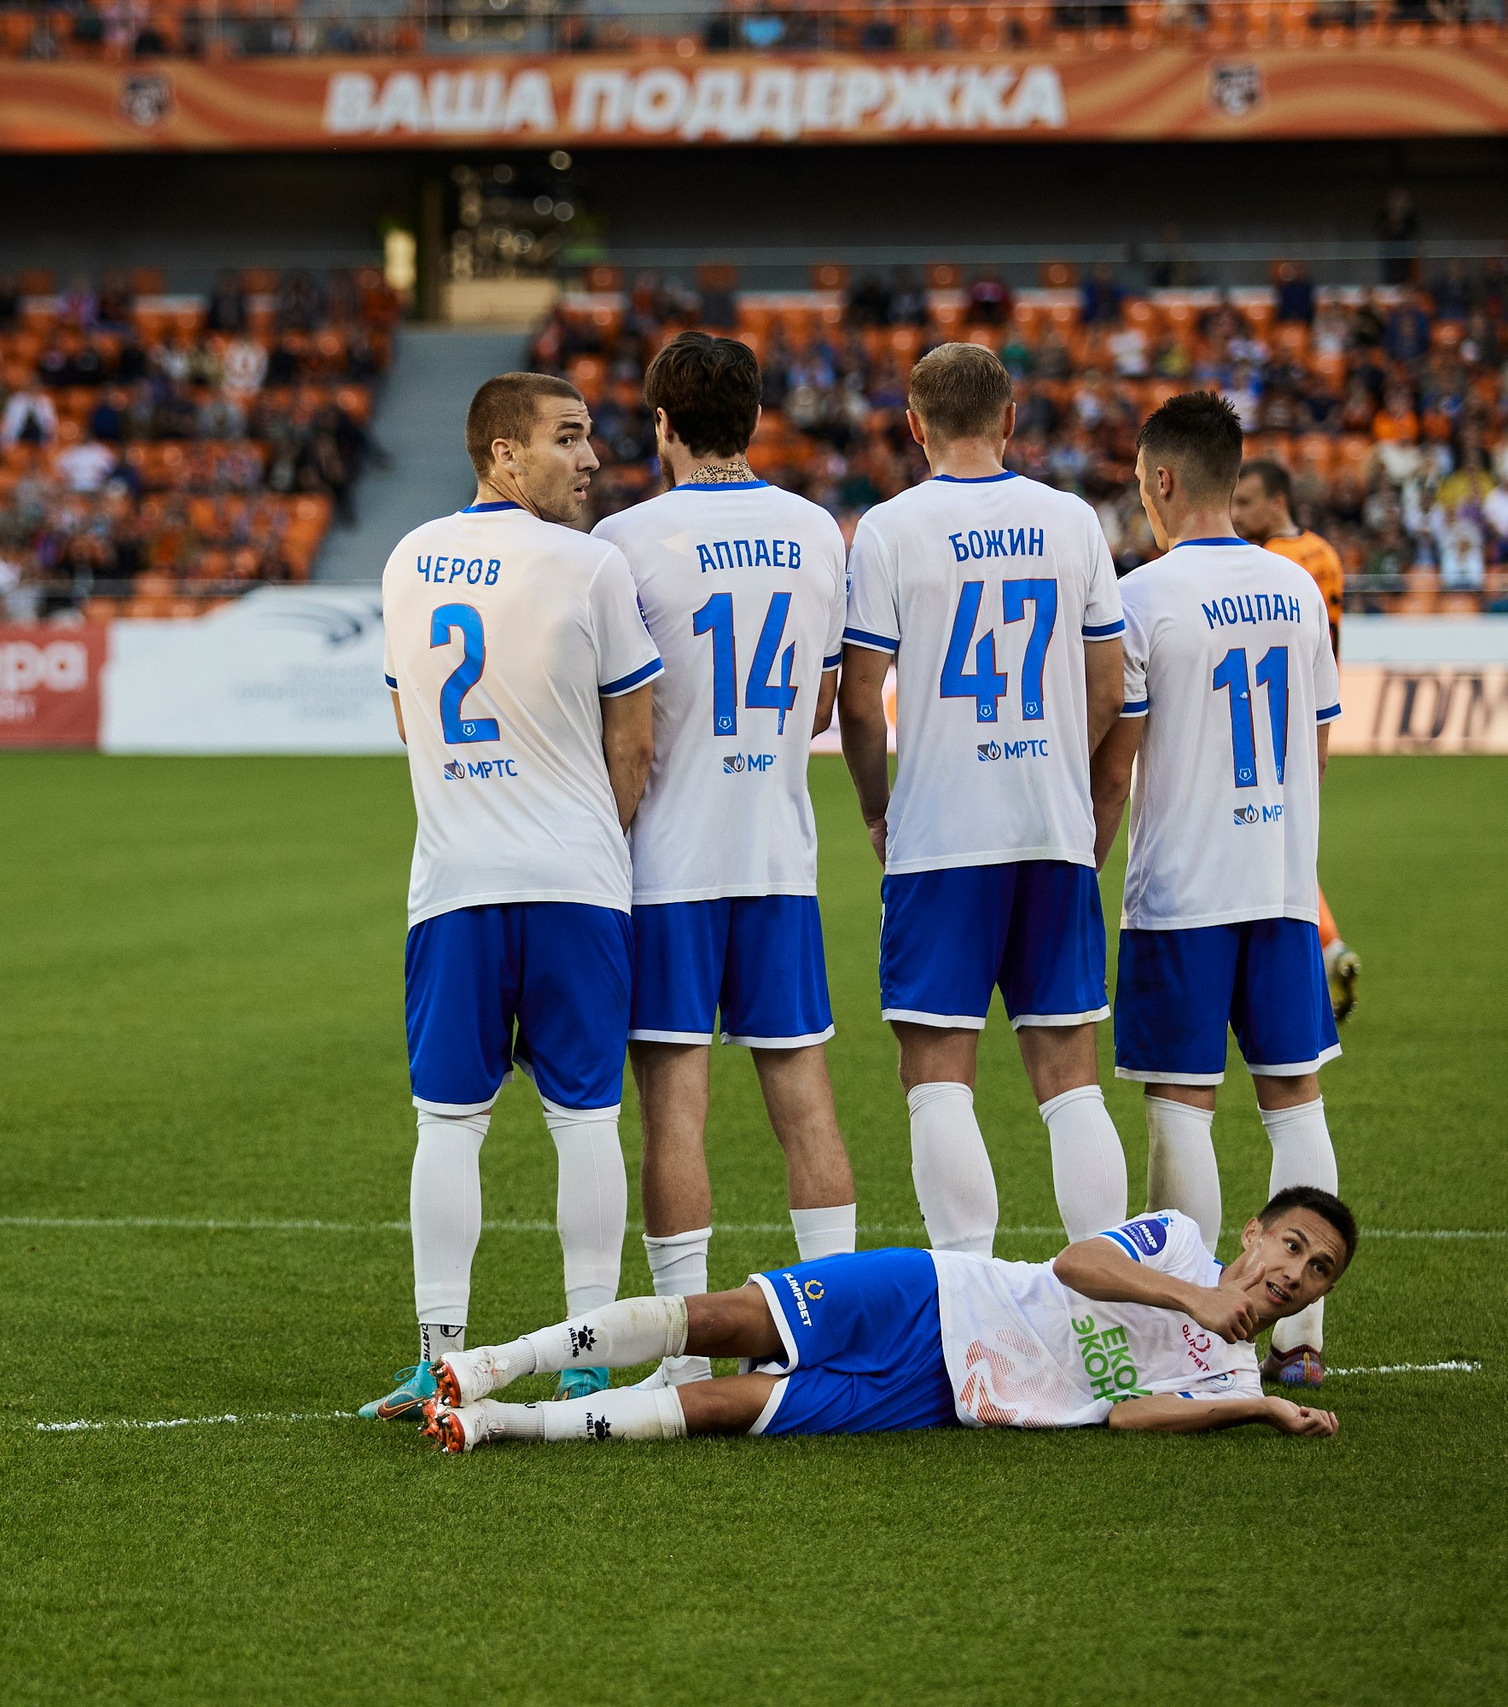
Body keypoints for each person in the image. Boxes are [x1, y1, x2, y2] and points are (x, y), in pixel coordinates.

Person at [360, 372, 659, 1421]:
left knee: (448, 1124)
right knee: (583, 1122)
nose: (588, 458)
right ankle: (586, 1353)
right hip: (576, 885)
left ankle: (438, 1352)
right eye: (566, 439)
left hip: (454, 884)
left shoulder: (404, 561)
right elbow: (635, 740)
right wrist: (585, 823)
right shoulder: (591, 565)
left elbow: (411, 723)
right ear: (500, 453)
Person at [588, 332, 858, 1387]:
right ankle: (831, 1344)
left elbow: (621, 720)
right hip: (777, 855)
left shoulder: (625, 539)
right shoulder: (812, 530)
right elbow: (827, 701)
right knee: (806, 1100)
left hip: (668, 862)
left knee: (674, 1111)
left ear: (661, 423)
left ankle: (683, 1362)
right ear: (754, 419)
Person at [838, 342, 1130, 1258]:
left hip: (940, 835)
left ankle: (971, 1302)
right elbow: (1110, 687)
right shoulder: (1072, 519)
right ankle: (1114, 1299)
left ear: (914, 426)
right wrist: (1045, 765)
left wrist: (877, 804)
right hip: (1049, 826)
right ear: (1010, 420)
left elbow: (857, 698)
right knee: (1071, 1080)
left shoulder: (889, 528)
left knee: (936, 1078)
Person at [1093, 393, 1345, 1389]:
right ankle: (1302, 1341)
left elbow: (1117, 767)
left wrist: (1085, 858)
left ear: (1159, 480)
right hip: (1278, 885)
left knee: (1180, 1107)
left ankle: (1192, 1338)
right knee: (1294, 1100)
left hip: (1182, 892)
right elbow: (1315, 749)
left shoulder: (1143, 597)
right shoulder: (1293, 587)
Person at [420, 1187, 1353, 1450]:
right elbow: (1077, 1262)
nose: (1298, 1272)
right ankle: (497, 1361)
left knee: (717, 1409)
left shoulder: (1230, 1377)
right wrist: (1192, 1296)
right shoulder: (1182, 1244)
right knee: (716, 1319)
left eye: (1319, 1271)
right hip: (936, 1293)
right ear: (1255, 1232)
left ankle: (493, 1420)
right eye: (1294, 1244)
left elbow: (1126, 1415)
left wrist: (1259, 1405)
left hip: (941, 1397)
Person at [1231, 456, 1360, 1020]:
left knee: (1255, 844)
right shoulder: (1325, 556)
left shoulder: (1264, 564)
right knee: (1287, 843)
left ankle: (1302, 964)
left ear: (1276, 501)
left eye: (1245, 502)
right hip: (1310, 713)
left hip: (1260, 715)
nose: (1235, 514)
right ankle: (1327, 949)